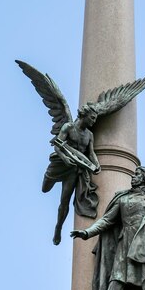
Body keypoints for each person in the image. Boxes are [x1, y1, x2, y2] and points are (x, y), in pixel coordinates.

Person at [44, 104, 100, 245]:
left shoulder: (90, 135)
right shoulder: (68, 127)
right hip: (60, 163)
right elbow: (58, 145)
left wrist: (96, 164)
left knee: (65, 200)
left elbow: (91, 152)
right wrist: (65, 158)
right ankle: (48, 177)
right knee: (45, 188)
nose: (94, 121)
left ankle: (58, 227)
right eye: (92, 118)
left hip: (74, 168)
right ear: (84, 116)